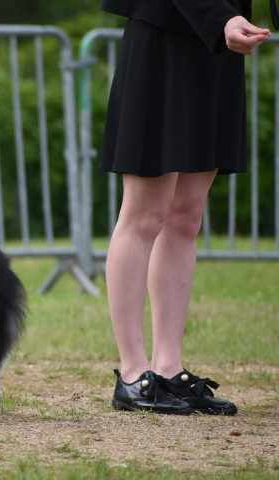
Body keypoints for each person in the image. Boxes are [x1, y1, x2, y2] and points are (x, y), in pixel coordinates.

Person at [101, 0, 269, 414]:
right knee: (144, 214)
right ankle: (131, 374)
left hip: (216, 47)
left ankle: (168, 368)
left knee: (185, 217)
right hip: (164, 39)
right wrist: (221, 19)